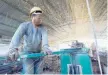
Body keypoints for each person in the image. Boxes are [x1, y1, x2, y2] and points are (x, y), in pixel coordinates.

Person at [8, 7, 52, 74]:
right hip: (27, 54)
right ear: (32, 16)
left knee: (39, 72)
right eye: (39, 17)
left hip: (39, 54)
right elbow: (16, 37)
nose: (41, 19)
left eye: (41, 17)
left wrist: (46, 47)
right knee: (29, 72)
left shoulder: (43, 28)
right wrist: (13, 50)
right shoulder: (24, 26)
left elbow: (45, 39)